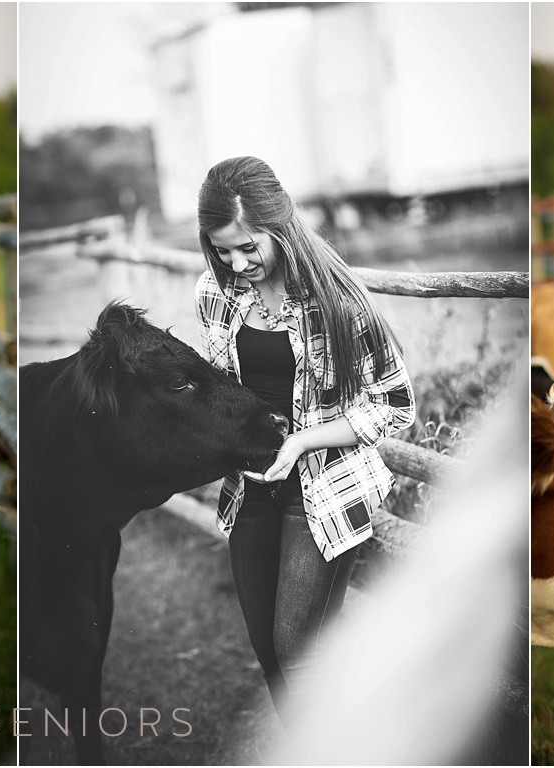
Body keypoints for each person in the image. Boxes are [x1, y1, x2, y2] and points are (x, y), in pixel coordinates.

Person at [190, 156, 415, 711]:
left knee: (298, 651)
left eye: (250, 247)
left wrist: (302, 441)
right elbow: (223, 386)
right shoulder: (213, 295)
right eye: (223, 250)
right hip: (249, 490)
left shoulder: (338, 303)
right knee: (267, 652)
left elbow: (395, 404)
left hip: (323, 491)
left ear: (281, 227)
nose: (238, 263)